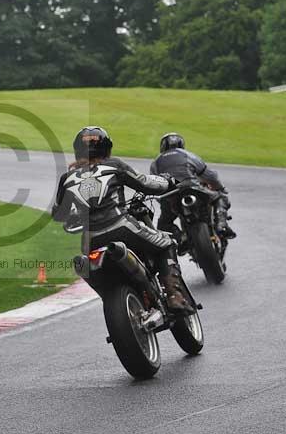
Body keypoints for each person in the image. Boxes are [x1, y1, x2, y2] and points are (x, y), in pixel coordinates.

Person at [51, 126, 194, 314]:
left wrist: (76, 214)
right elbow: (145, 183)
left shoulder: (66, 178)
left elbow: (58, 214)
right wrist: (168, 181)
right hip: (122, 227)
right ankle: (175, 297)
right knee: (167, 243)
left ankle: (115, 302)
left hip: (90, 241)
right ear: (106, 148)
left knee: (86, 267)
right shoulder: (114, 165)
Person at [150, 132, 236, 239]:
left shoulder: (156, 162)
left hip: (171, 195)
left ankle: (180, 238)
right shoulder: (189, 155)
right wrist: (220, 188)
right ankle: (222, 225)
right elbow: (210, 176)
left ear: (162, 146)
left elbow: (155, 185)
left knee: (164, 225)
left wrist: (164, 200)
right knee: (220, 197)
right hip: (192, 187)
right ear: (181, 144)